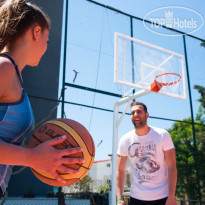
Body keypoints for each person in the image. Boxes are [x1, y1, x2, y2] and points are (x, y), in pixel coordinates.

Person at [0, 0, 84, 198]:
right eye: (47, 40)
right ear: (36, 32)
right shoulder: (4, 67)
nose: (46, 48)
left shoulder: (13, 75)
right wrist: (33, 157)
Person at [116, 102, 177, 205]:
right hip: (136, 198)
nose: (136, 114)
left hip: (162, 197)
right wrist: (119, 198)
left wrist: (171, 196)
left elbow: (172, 166)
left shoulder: (162, 135)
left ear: (146, 115)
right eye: (133, 113)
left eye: (139, 111)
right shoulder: (125, 140)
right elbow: (120, 170)